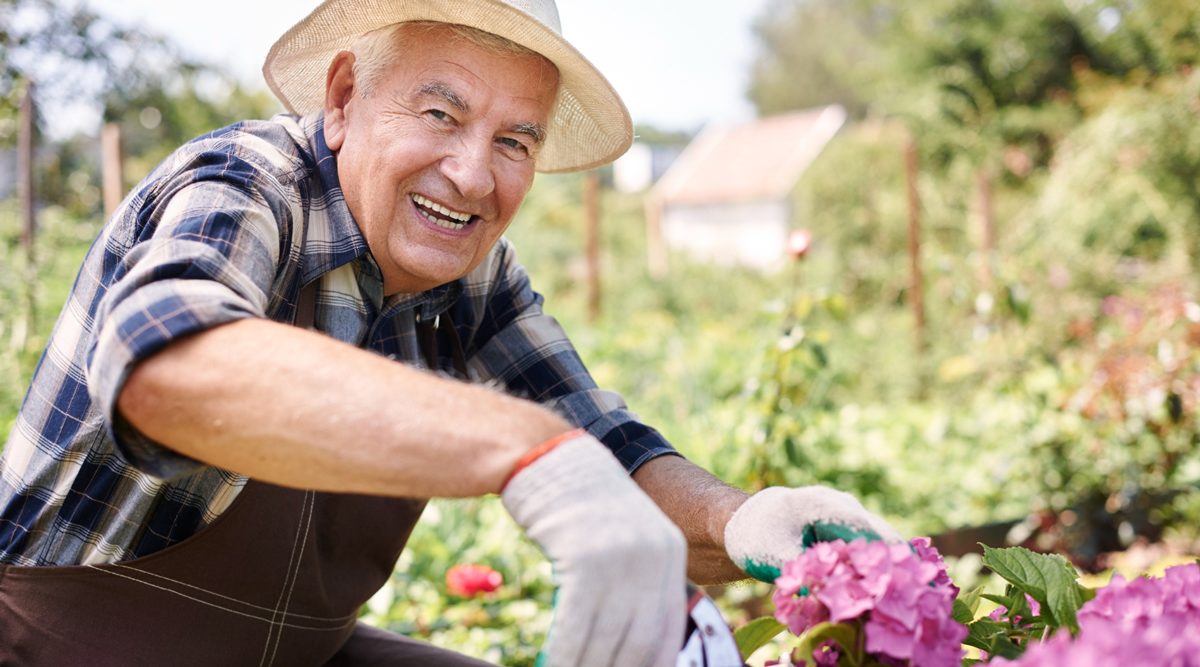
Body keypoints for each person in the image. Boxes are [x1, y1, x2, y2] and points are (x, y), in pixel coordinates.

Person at [0, 1, 901, 665]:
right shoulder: (245, 184)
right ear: (346, 95)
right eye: (442, 114)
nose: (472, 175)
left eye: (516, 140)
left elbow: (611, 449)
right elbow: (169, 368)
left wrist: (745, 521)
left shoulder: (473, 279)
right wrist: (525, 448)